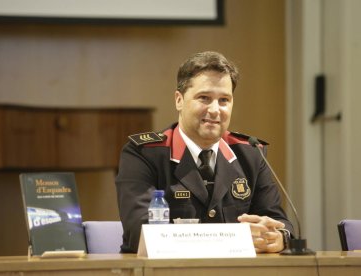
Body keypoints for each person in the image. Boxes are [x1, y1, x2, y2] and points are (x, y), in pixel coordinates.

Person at [115, 51, 293, 254]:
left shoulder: (250, 154)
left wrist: (278, 238)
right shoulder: (144, 154)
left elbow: (279, 222)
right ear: (179, 100)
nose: (215, 109)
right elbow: (140, 233)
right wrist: (234, 240)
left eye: (224, 100)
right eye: (204, 98)